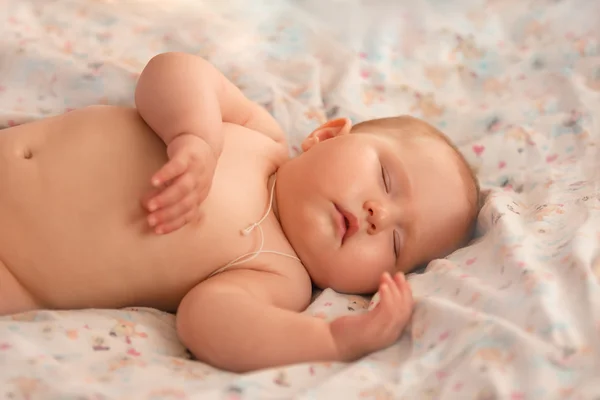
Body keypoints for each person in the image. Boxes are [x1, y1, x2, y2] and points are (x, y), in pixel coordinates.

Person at [0, 52, 479, 372]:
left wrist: (334, 341)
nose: (380, 215)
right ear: (327, 136)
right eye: (387, 179)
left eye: (396, 243)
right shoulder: (258, 134)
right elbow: (170, 70)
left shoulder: (278, 276)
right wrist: (194, 135)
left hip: (16, 274)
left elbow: (207, 324)